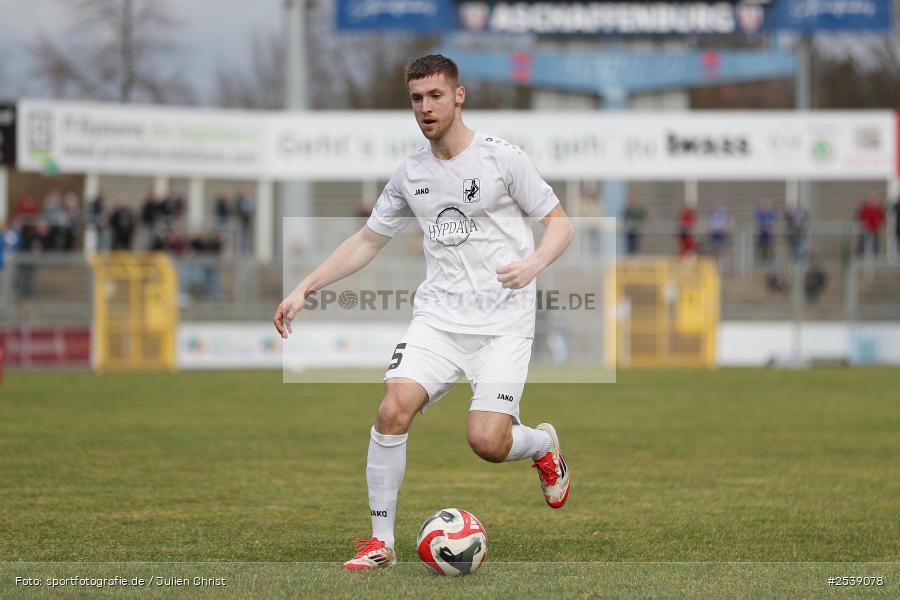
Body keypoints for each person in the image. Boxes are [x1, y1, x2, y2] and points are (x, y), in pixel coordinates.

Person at [274, 55, 573, 571]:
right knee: (392, 410)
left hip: (503, 325)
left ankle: (543, 444)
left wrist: (533, 264)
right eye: (416, 98)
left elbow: (561, 224)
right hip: (437, 320)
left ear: (459, 95)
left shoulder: (503, 160)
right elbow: (367, 241)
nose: (425, 107)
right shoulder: (411, 174)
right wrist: (305, 287)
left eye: (435, 95)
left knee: (487, 441)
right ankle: (381, 543)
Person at [856, 193, 885, 258]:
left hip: (875, 227)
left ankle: (875, 255)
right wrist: (863, 223)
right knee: (863, 240)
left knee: (875, 242)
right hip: (867, 227)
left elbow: (882, 216)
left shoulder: (878, 207)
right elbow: (860, 215)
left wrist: (880, 224)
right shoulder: (865, 206)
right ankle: (861, 254)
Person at [755, 198, 777, 264]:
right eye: (764, 204)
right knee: (761, 249)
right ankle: (762, 261)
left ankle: (770, 262)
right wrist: (765, 225)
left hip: (769, 235)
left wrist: (768, 225)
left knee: (770, 249)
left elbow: (773, 222)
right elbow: (758, 222)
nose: (766, 205)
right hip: (761, 235)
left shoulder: (772, 213)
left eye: (767, 204)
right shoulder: (759, 213)